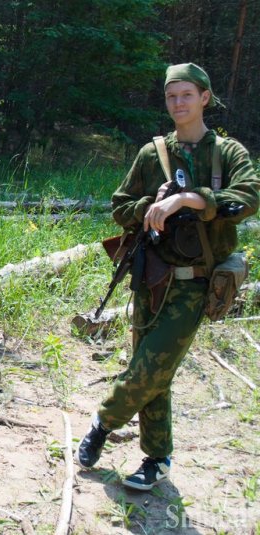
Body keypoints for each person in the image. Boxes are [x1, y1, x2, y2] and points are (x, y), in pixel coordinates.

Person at [76, 63, 260, 491]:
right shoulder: (152, 154)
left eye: (186, 96)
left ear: (205, 98)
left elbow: (248, 197)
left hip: (197, 281)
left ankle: (102, 423)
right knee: (153, 371)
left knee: (151, 367)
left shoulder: (227, 153)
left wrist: (190, 199)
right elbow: (119, 205)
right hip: (153, 276)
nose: (178, 104)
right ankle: (156, 459)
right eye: (171, 97)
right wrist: (150, 205)